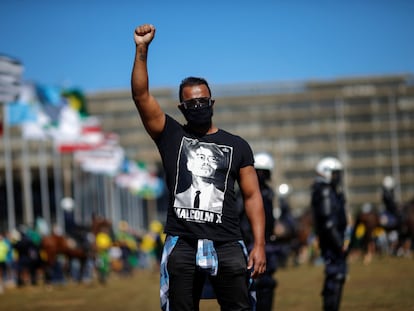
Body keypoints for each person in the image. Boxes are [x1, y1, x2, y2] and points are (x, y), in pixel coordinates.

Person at [131, 24, 266, 311]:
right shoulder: (171, 136)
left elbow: (253, 196)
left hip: (228, 243)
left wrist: (259, 244)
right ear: (181, 108)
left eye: (203, 101)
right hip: (183, 244)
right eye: (191, 103)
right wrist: (142, 50)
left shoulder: (237, 145)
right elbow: (141, 97)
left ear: (212, 102)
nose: (198, 106)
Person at [239, 152, 278, 311]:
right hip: (250, 246)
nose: (261, 175)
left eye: (264, 172)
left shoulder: (268, 194)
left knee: (267, 284)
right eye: (258, 171)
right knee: (254, 285)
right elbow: (238, 220)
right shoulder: (244, 193)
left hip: (266, 245)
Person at [311, 157, 348, 311]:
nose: (338, 177)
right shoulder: (326, 191)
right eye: (335, 174)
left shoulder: (329, 191)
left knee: (336, 276)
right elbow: (328, 222)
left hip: (332, 241)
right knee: (336, 276)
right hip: (332, 243)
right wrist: (340, 244)